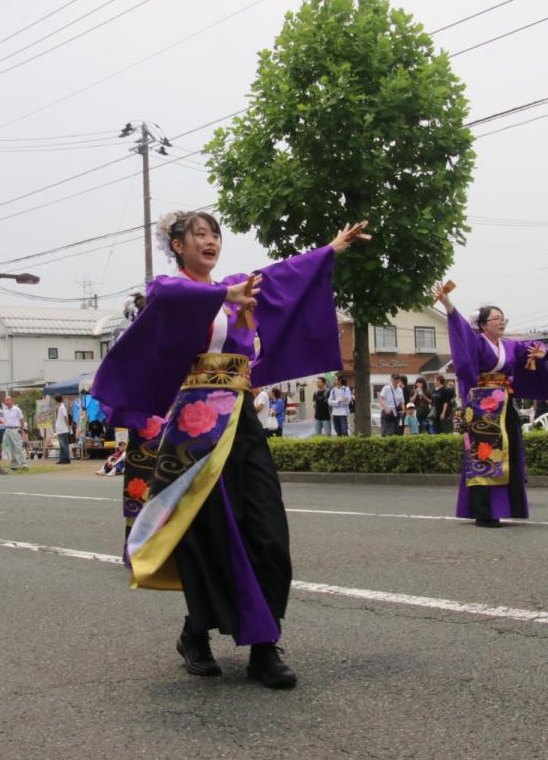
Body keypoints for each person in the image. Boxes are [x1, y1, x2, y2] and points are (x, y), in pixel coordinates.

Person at [91, 209, 369, 689]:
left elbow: (283, 276)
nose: (210, 240)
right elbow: (169, 295)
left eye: (214, 234)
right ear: (178, 245)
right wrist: (223, 295)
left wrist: (329, 251)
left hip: (242, 423)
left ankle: (265, 643)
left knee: (268, 532)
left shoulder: (239, 286)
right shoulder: (173, 290)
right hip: (194, 432)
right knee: (207, 538)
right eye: (199, 234)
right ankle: (198, 633)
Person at [435, 286, 548, 528]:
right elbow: (461, 330)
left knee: (511, 450)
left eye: (503, 318)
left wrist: (541, 351)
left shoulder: (510, 346)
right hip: (483, 405)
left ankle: (506, 505)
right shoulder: (477, 342)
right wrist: (449, 305)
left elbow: (532, 347)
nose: (501, 322)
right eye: (496, 318)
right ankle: (484, 511)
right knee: (485, 453)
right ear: (484, 325)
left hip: (505, 403)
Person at [0, 395, 27, 470]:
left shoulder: (17, 409)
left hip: (15, 429)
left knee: (18, 447)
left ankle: (24, 464)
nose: (6, 402)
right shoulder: (4, 410)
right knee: (11, 448)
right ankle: (14, 465)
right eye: (5, 400)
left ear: (11, 401)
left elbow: (22, 420)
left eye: (8, 400)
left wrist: (21, 429)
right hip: (7, 429)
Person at [53, 394, 72, 464]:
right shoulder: (60, 407)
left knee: (64, 445)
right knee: (62, 445)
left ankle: (66, 459)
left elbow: (65, 417)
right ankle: (62, 459)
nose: (54, 402)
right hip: (60, 429)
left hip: (63, 429)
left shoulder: (62, 407)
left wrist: (68, 426)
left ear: (56, 400)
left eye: (54, 400)